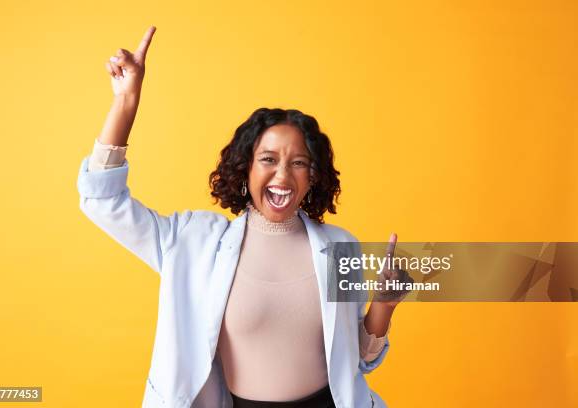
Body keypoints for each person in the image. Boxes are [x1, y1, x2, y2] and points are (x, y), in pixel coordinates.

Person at [77, 26, 412, 408]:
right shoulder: (192, 242)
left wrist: (383, 306)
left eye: (299, 163)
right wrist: (125, 103)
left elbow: (359, 361)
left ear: (313, 175)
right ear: (246, 168)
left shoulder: (340, 246)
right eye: (268, 160)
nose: (283, 175)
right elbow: (102, 201)